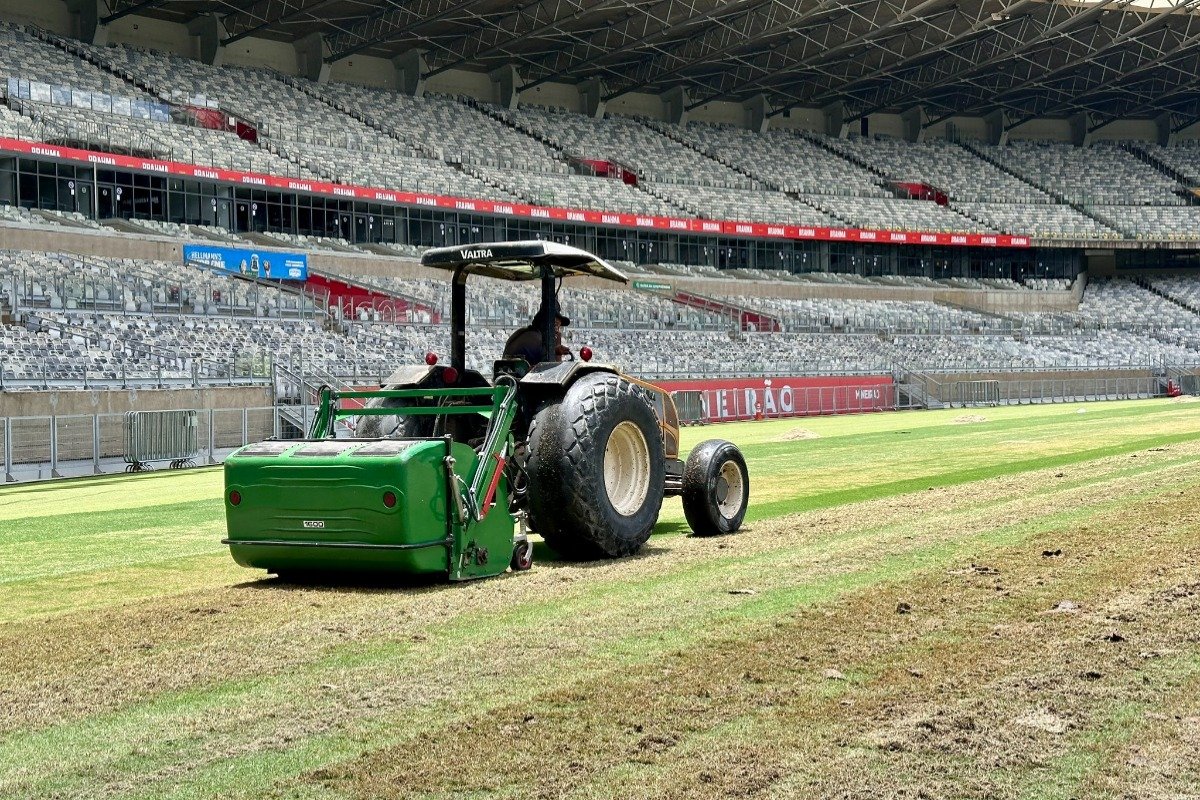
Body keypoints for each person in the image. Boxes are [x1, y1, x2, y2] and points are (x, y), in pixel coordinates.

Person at [503, 305, 571, 365]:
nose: (557, 330)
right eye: (555, 325)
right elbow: (552, 367)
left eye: (558, 327)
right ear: (544, 322)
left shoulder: (528, 333)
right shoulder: (533, 337)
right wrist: (556, 350)